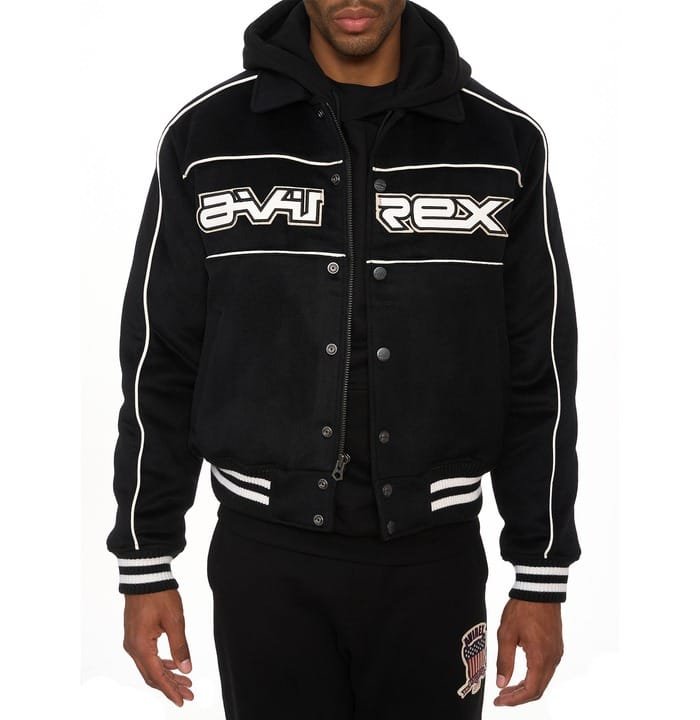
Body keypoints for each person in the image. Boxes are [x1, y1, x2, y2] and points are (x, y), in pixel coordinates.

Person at [106, 1, 581, 717]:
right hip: (265, 564)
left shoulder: (503, 143)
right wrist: (146, 561)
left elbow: (539, 369)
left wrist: (540, 574)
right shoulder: (206, 137)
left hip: (435, 562)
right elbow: (160, 358)